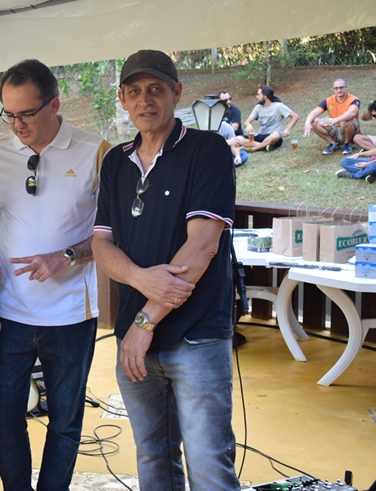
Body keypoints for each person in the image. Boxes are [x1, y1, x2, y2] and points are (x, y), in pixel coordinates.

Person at [91, 49, 239, 490]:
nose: (145, 99)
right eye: (134, 91)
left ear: (176, 92)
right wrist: (140, 280)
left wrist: (144, 321)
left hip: (195, 337)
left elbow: (203, 244)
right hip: (135, 342)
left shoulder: (207, 149)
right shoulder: (116, 161)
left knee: (209, 467)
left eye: (156, 89)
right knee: (153, 459)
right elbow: (101, 244)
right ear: (122, 98)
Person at [0, 58, 110, 491]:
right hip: (7, 313)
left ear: (54, 104)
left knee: (65, 422)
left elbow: (112, 235)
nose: (18, 124)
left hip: (71, 315)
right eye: (9, 114)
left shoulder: (97, 152)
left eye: (27, 113)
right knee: (4, 418)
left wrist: (65, 256)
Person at [303, 77, 361, 155]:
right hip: (335, 128)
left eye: (341, 87)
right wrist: (307, 122)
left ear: (346, 87)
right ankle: (333, 144)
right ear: (333, 89)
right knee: (314, 121)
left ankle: (348, 143)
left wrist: (336, 119)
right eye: (336, 88)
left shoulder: (354, 99)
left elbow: (352, 113)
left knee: (346, 120)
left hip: (350, 130)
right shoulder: (328, 100)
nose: (339, 90)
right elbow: (315, 112)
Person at [240, 85, 299, 152]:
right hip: (261, 136)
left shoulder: (278, 106)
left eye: (258, 95)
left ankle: (253, 149)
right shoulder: (258, 107)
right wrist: (248, 125)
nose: (256, 97)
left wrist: (287, 130)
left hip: (273, 136)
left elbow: (295, 116)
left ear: (265, 96)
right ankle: (265, 146)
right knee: (238, 139)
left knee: (275, 135)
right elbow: (246, 122)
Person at [336, 101, 376, 183]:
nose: (373, 118)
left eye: (374, 115)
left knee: (372, 167)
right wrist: (359, 154)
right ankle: (374, 175)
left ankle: (354, 175)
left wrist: (368, 164)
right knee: (345, 161)